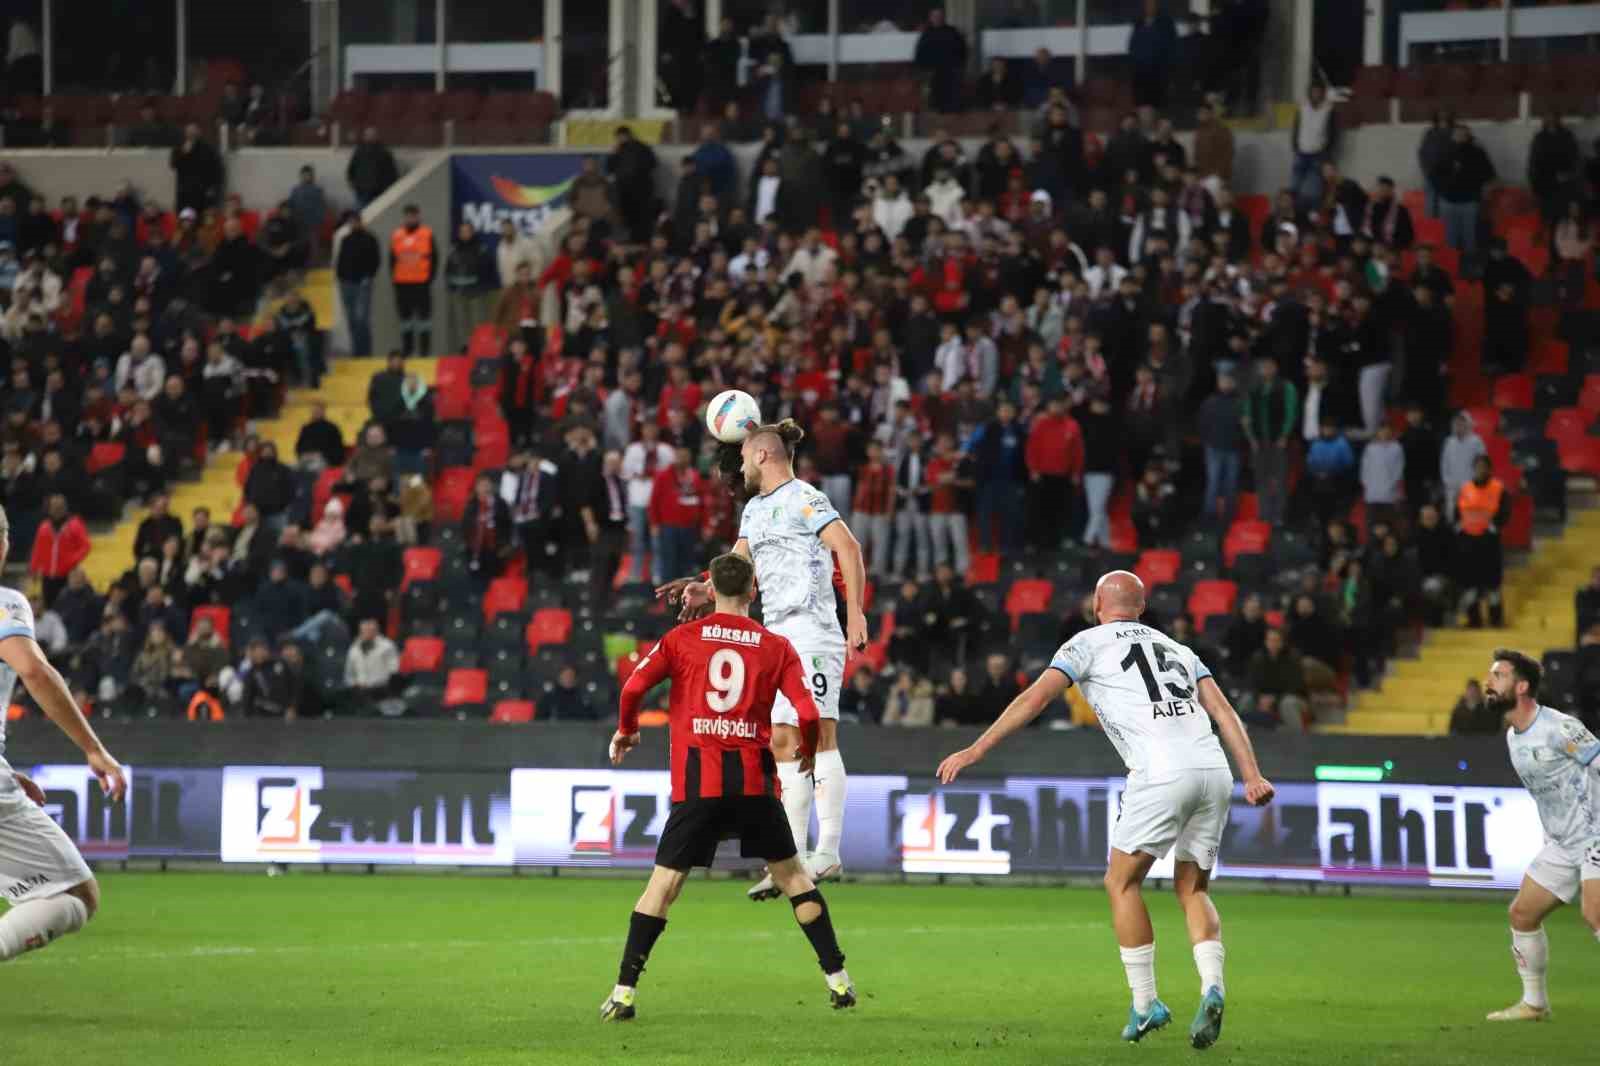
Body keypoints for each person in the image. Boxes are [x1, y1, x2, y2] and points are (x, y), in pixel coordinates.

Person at [937, 571, 1273, 1049]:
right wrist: (1252, 775)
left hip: (1160, 773)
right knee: (1192, 886)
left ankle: (1145, 1004)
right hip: (1214, 770)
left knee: (1121, 882)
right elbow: (1224, 714)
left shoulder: (1085, 644)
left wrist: (976, 749)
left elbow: (1035, 698)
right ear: (1142, 606)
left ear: (1097, 604)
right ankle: (1212, 985)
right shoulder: (1178, 648)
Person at [604, 551, 855, 1020]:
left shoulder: (681, 639)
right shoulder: (775, 645)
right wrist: (807, 746)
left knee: (664, 887)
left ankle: (623, 992)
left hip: (699, 785)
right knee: (795, 879)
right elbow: (805, 708)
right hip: (756, 785)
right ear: (753, 592)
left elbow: (633, 688)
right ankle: (838, 981)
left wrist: (627, 729)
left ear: (712, 590)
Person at [659, 421, 869, 900]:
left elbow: (848, 548)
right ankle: (790, 859)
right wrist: (704, 588)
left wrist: (855, 613)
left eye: (744, 459)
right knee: (780, 742)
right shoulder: (754, 511)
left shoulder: (805, 498)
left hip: (812, 628)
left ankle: (829, 850)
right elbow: (738, 564)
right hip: (773, 635)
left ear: (761, 457)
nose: (739, 472)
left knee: (820, 732)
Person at [0, 503, 128, 964]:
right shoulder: (5, 602)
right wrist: (93, 748)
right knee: (75, 893)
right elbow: (33, 671)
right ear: (4, 545)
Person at [1480, 649, 1600, 1023]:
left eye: (1497, 675)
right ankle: (1534, 1004)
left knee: (1595, 913)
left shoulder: (1559, 727)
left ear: (1521, 686)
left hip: (1597, 831)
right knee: (1522, 913)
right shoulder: (1514, 736)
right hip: (1563, 843)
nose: (1488, 682)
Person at [1241, 355, 1298, 525]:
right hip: (1259, 442)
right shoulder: (1253, 389)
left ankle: (1279, 515)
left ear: (1275, 368)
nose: (1266, 370)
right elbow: (1247, 414)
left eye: (1269, 366)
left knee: (1279, 480)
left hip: (1278, 441)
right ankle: (1264, 514)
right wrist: (1251, 438)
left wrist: (1284, 436)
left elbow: (1291, 413)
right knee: (1261, 480)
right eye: (1263, 366)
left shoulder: (1286, 387)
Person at [1455, 455, 1508, 629]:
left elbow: (1505, 514)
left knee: (1493, 586)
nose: (1480, 470)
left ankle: (1496, 620)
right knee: (1471, 586)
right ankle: (1474, 620)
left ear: (1489, 469)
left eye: (1483, 466)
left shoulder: (1498, 488)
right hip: (1468, 544)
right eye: (1477, 466)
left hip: (1489, 543)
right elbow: (1457, 514)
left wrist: (1493, 527)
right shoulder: (1465, 489)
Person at [1436, 124, 1494, 255]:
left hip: (1470, 201)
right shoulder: (1444, 152)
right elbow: (1434, 175)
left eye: (1464, 134)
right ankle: (1451, 263)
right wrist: (1443, 188)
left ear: (1469, 136)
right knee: (1449, 237)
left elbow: (1489, 174)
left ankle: (1470, 263)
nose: (1461, 137)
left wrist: (1481, 187)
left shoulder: (1478, 152)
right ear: (1453, 136)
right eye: (1458, 134)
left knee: (1470, 236)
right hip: (1448, 201)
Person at [390, 205, 436, 358]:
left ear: (418, 216)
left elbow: (435, 258)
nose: (410, 219)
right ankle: (408, 350)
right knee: (405, 320)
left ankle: (424, 351)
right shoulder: (397, 235)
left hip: (422, 284)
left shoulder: (427, 234)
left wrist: (429, 279)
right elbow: (392, 259)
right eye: (408, 216)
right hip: (402, 285)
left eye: (413, 216)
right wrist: (395, 280)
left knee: (424, 319)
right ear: (404, 217)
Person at [334, 211, 379, 357]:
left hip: (362, 283)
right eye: (351, 222)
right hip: (346, 283)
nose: (353, 224)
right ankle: (356, 352)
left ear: (361, 222)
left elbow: (375, 260)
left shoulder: (370, 239)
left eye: (355, 222)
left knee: (361, 319)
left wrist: (369, 276)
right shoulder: (346, 239)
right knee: (351, 319)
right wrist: (340, 277)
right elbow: (341, 260)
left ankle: (366, 352)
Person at [1290, 84, 1338, 211]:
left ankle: (1312, 215)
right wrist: (1295, 146)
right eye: (1314, 92)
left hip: (1318, 155)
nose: (1316, 95)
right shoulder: (1302, 108)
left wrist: (1327, 156)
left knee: (1312, 191)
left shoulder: (1329, 110)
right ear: (1309, 93)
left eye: (1319, 92)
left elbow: (1333, 134)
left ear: (1323, 94)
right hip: (1301, 153)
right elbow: (1296, 127)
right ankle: (1296, 215)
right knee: (1294, 188)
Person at [913, 8, 967, 114]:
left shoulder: (952, 31)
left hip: (951, 71)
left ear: (943, 17)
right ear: (930, 18)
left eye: (938, 16)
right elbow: (919, 55)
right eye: (934, 16)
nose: (936, 18)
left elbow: (962, 50)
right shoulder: (926, 34)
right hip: (932, 72)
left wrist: (959, 65)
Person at [1128, 0, 1179, 112]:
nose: (1149, 6)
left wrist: (1170, 73)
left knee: (1160, 109)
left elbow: (1173, 49)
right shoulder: (1138, 23)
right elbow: (1132, 48)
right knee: (1143, 109)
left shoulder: (1166, 23)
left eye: (1152, 3)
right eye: (1147, 3)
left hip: (1160, 76)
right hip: (1141, 75)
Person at [168, 124, 223, 215]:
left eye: (193, 132)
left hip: (202, 192)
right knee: (185, 220)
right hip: (184, 192)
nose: (191, 135)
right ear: (185, 134)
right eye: (189, 132)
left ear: (199, 133)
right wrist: (183, 152)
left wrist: (213, 188)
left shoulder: (208, 149)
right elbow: (173, 165)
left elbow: (217, 170)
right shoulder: (179, 148)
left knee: (203, 219)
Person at [347, 126, 399, 210]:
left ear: (377, 136)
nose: (369, 137)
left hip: (378, 190)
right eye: (367, 135)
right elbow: (352, 168)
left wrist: (386, 187)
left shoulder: (384, 152)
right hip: (361, 189)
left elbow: (391, 172)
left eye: (372, 135)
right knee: (361, 213)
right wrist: (352, 182)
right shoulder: (359, 151)